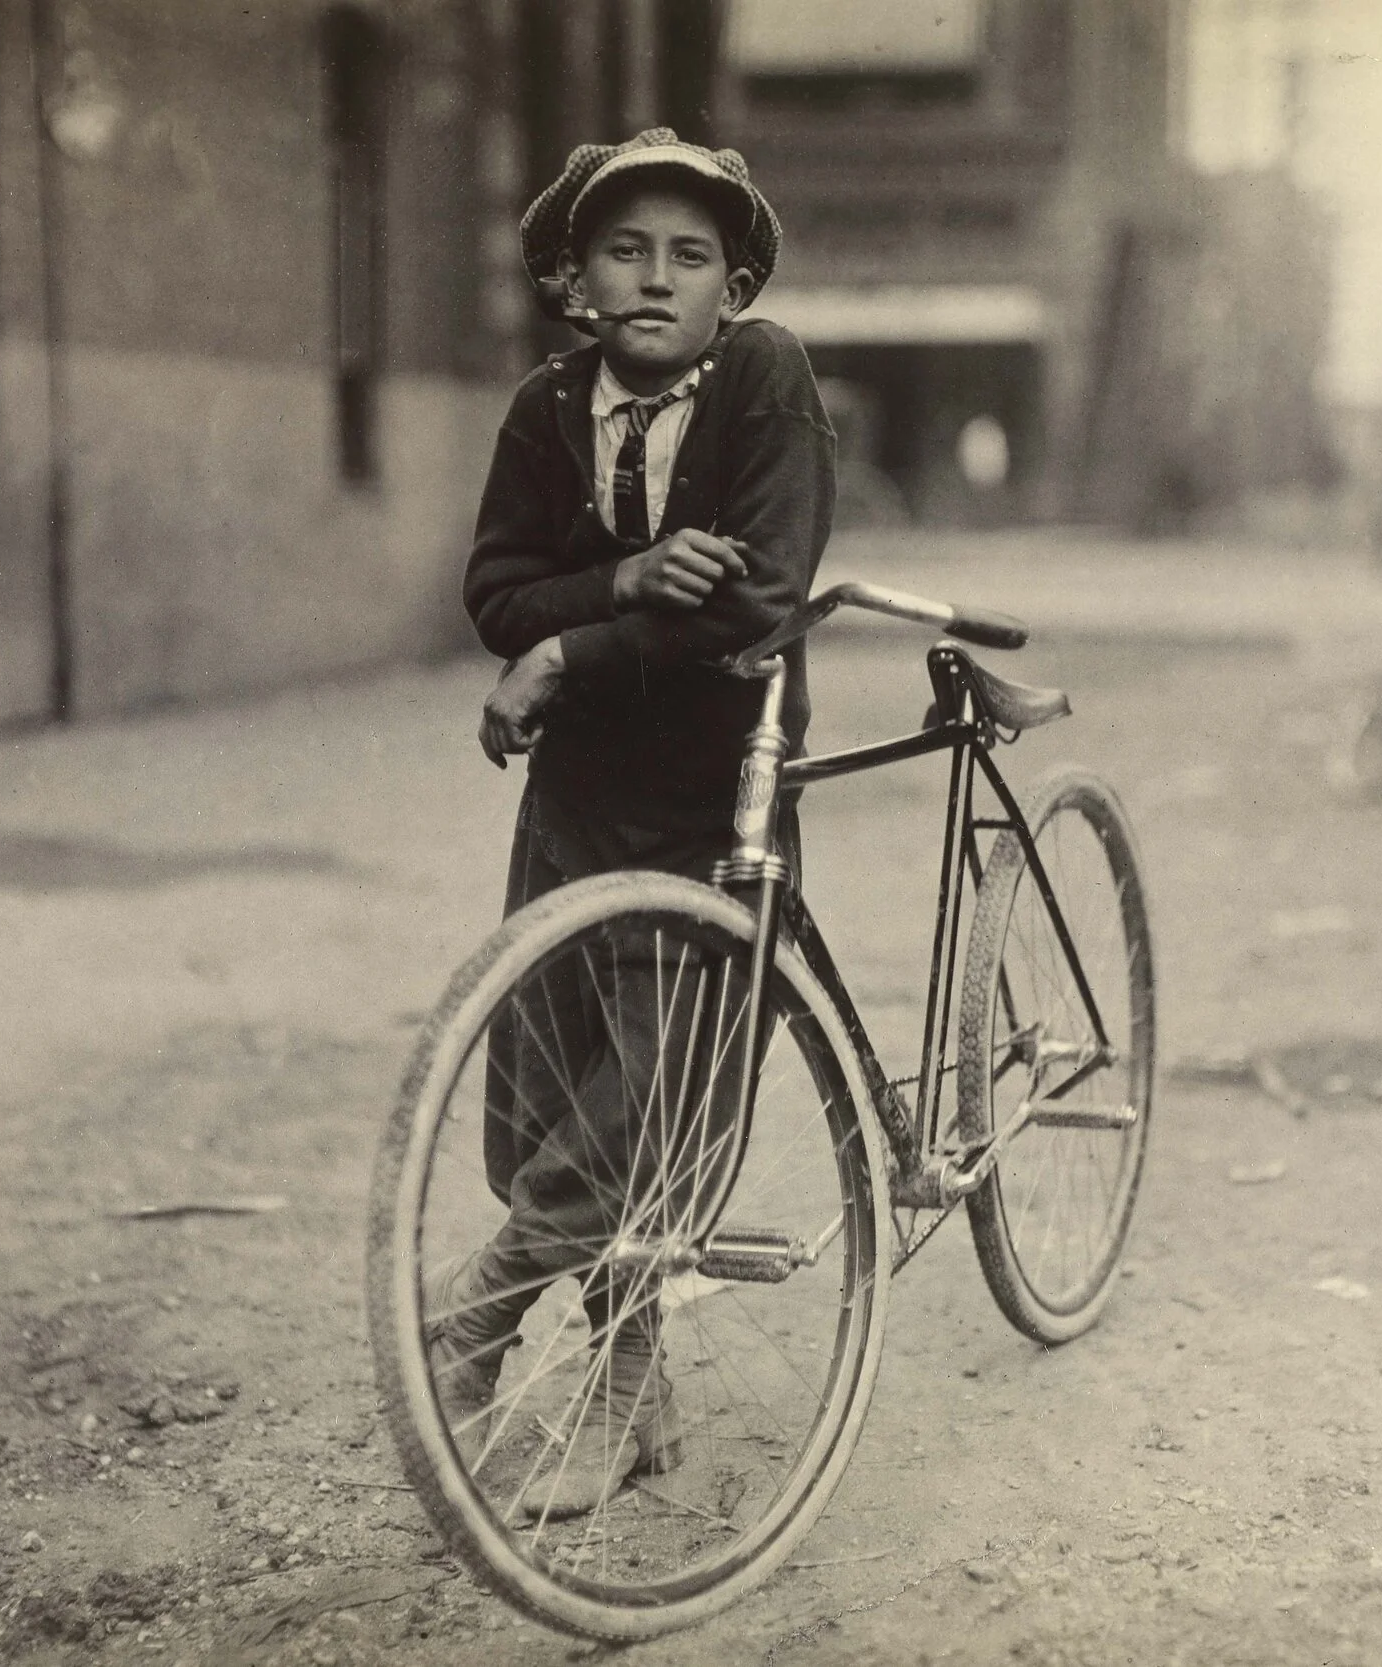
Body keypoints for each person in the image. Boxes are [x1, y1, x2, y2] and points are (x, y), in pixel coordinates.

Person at [439, 129, 836, 1518]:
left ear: (734, 286)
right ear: (574, 280)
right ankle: (640, 1390)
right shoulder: (549, 408)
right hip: (577, 798)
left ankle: (490, 1313)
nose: (656, 278)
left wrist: (573, 650)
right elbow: (495, 591)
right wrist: (625, 580)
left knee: (658, 1093)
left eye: (689, 256)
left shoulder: (764, 379)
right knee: (559, 1071)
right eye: (625, 250)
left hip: (715, 785)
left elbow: (761, 595)